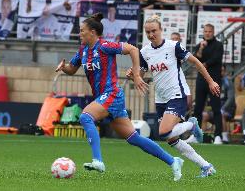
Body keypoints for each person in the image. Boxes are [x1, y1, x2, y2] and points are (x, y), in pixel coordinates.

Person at [55, 13, 185, 182]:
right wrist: (63, 67)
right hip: (103, 98)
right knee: (134, 138)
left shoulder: (105, 46)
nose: (80, 34)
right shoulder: (83, 50)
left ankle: (98, 161)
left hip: (112, 94)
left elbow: (133, 49)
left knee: (86, 117)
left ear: (93, 32)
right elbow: (72, 69)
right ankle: (173, 161)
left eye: (82, 31)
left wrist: (137, 75)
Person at [126, 15, 219, 178]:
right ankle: (206, 166)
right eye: (148, 32)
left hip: (177, 94)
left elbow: (196, 62)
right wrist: (132, 75)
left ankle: (191, 125)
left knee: (163, 132)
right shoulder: (145, 52)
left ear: (161, 30)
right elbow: (139, 74)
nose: (151, 35)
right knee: (171, 139)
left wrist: (211, 82)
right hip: (161, 99)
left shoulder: (173, 46)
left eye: (154, 31)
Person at [193, 23, 224, 145]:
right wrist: (201, 48)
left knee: (216, 108)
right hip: (201, 81)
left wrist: (203, 65)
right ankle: (196, 135)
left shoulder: (218, 45)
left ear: (213, 32)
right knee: (197, 109)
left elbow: (215, 59)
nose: (207, 33)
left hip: (214, 81)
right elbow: (196, 59)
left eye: (209, 31)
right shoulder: (200, 45)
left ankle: (218, 136)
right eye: (205, 31)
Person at [199, 65, 236, 143]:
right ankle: (202, 136)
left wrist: (223, 108)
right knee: (204, 115)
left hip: (227, 109)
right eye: (219, 71)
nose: (220, 73)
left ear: (225, 72)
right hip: (216, 108)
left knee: (220, 113)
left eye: (222, 71)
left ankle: (224, 137)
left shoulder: (228, 82)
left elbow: (231, 98)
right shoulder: (212, 82)